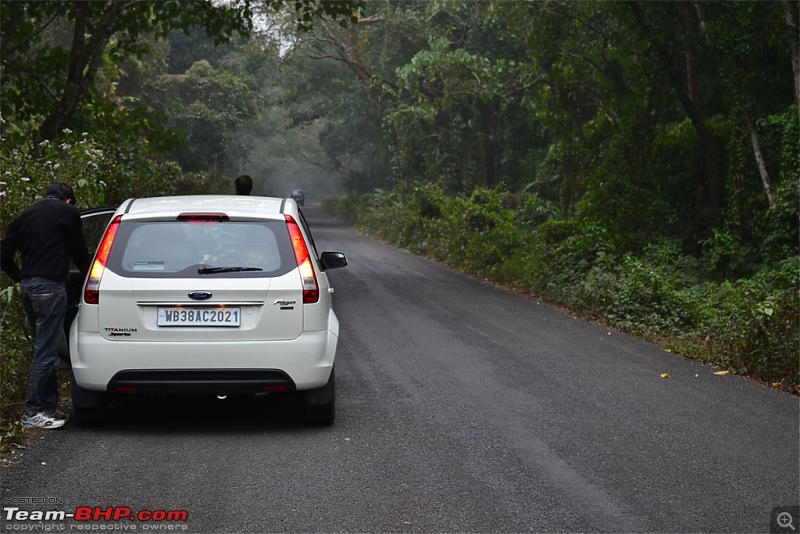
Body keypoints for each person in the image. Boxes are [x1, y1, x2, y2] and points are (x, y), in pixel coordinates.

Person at [0, 183, 90, 429]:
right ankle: (33, 412)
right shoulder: (68, 213)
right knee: (46, 351)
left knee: (45, 347)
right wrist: (92, 275)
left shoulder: (25, 216)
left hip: (29, 288)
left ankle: (49, 406)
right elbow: (78, 251)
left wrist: (20, 277)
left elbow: (3, 254)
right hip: (51, 287)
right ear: (69, 200)